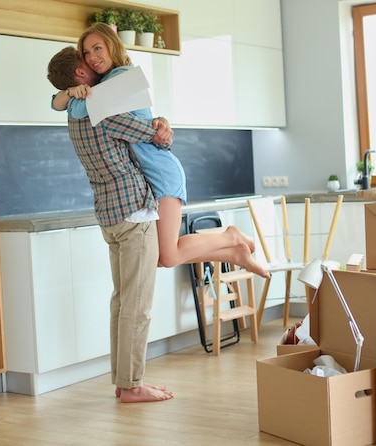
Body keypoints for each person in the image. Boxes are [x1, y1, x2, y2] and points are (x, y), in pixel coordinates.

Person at [50, 24, 269, 278]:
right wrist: (68, 93)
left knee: (167, 255)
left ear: (113, 46)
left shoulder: (120, 77)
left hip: (160, 172)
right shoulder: (109, 82)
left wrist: (69, 95)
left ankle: (230, 237)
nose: (92, 57)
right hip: (149, 175)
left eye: (97, 48)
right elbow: (59, 103)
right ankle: (233, 253)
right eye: (86, 53)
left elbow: (75, 110)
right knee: (160, 257)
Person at [49, 46, 175, 403]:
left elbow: (59, 102)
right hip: (134, 212)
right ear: (79, 76)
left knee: (122, 302)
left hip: (108, 215)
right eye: (86, 62)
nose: (93, 65)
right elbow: (154, 135)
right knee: (137, 305)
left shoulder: (73, 114)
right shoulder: (100, 108)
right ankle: (132, 385)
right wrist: (162, 125)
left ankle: (125, 383)